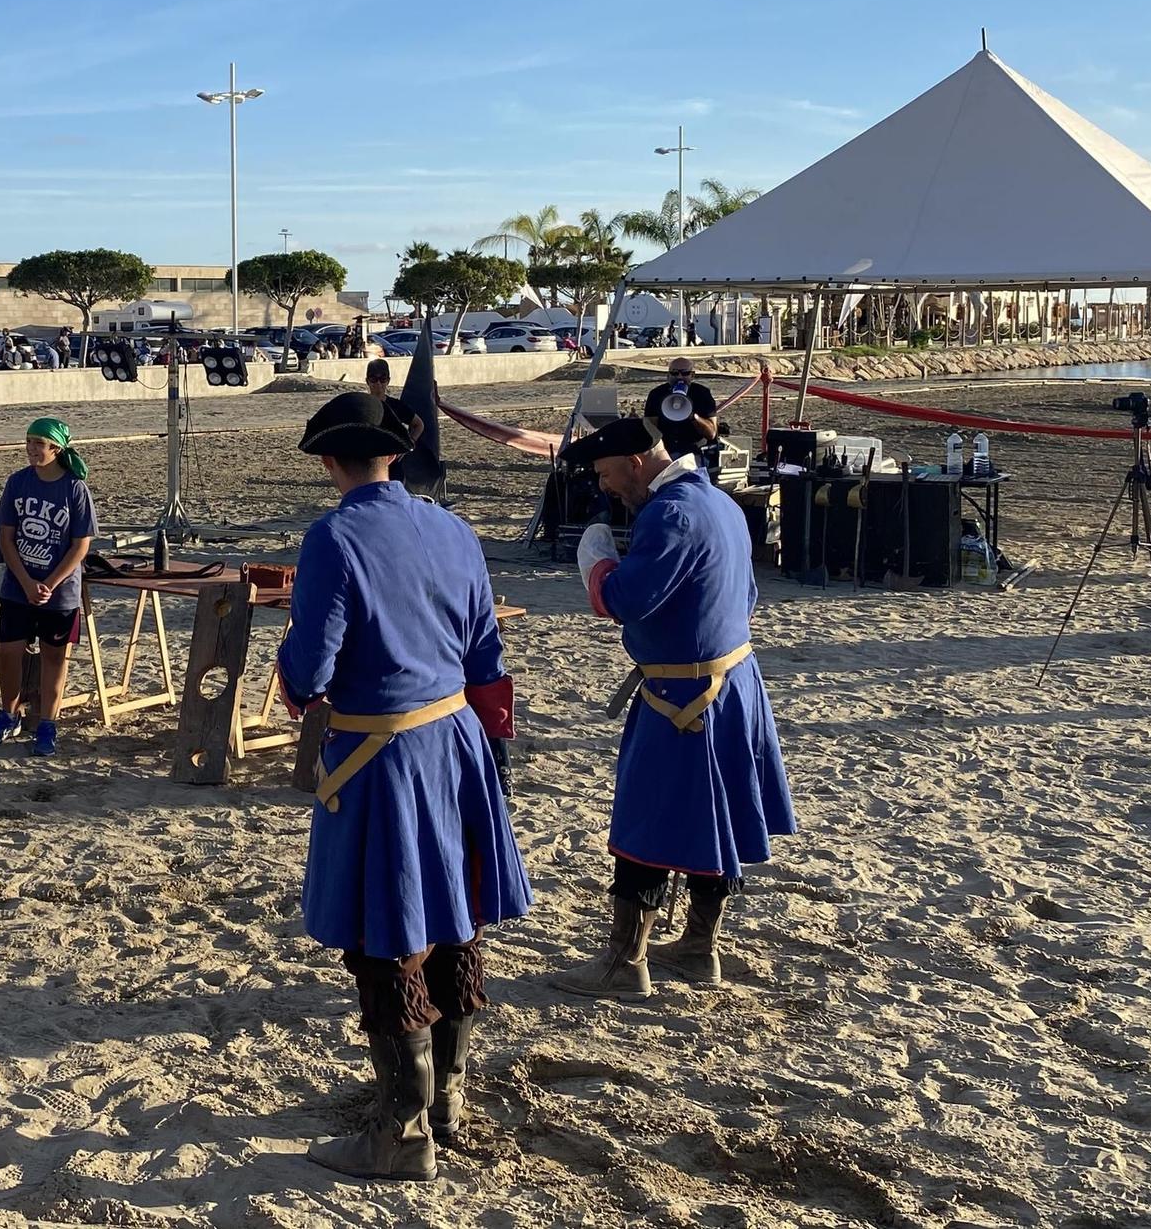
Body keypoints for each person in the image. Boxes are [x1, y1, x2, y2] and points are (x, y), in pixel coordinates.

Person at [277, 393, 530, 1182]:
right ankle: (449, 1098)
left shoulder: (335, 535)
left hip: (383, 753)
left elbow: (310, 671)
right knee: (453, 916)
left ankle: (402, 1128)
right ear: (394, 456)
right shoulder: (453, 527)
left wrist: (292, 678)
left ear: (330, 462)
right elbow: (486, 652)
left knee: (386, 932)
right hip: (456, 739)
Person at [559, 416, 796, 998]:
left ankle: (625, 962)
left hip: (682, 698)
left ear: (637, 461)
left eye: (608, 473)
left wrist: (596, 565)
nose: (607, 486)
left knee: (650, 821)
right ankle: (698, 947)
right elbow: (748, 597)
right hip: (732, 685)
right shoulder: (721, 504)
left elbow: (625, 599)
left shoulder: (672, 514)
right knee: (712, 821)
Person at [0, 418, 96, 757]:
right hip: (18, 586)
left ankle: (47, 722)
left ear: (56, 449)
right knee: (8, 652)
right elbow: (6, 536)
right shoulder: (18, 482)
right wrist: (27, 582)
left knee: (54, 657)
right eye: (28, 441)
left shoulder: (74, 488)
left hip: (59, 591)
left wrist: (49, 583)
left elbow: (81, 545)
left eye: (39, 443)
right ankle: (8, 713)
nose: (31, 449)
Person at [642, 357, 719, 460]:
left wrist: (693, 417)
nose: (679, 377)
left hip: (696, 452)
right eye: (674, 373)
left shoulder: (702, 394)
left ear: (692, 375)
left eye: (685, 373)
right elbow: (650, 428)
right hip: (666, 452)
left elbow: (711, 434)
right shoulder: (656, 394)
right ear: (668, 376)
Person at [362, 359, 425, 449]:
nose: (378, 383)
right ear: (367, 381)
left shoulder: (396, 406)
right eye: (373, 379)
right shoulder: (361, 405)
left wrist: (410, 442)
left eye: (382, 379)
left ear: (388, 381)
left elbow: (419, 424)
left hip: (392, 458)